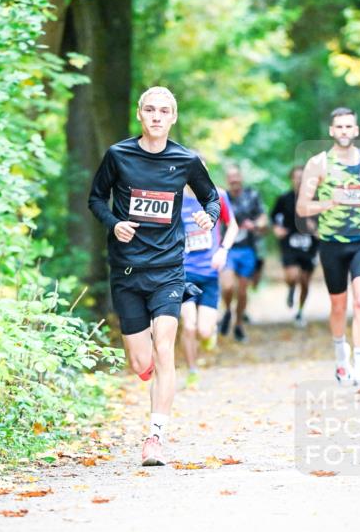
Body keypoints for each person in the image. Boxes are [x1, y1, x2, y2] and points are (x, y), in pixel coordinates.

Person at [88, 86, 220, 466]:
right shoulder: (118, 155)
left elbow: (211, 198)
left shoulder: (186, 160)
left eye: (164, 111)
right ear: (140, 114)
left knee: (165, 349)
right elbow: (96, 198)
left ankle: (155, 438)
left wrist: (208, 217)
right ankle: (148, 371)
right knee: (140, 361)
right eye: (150, 110)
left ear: (173, 117)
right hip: (127, 270)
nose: (157, 116)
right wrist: (114, 223)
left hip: (168, 269)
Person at [297, 108, 360, 388]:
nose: (344, 131)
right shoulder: (318, 164)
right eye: (339, 127)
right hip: (332, 243)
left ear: (356, 130)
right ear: (331, 131)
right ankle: (341, 356)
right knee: (338, 306)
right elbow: (302, 208)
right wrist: (329, 203)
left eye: (349, 126)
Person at [181, 175, 239, 384]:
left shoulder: (218, 195)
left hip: (209, 273)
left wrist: (223, 250)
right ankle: (192, 371)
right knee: (189, 325)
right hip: (184, 272)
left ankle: (209, 333)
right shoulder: (175, 197)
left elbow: (233, 226)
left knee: (203, 331)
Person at [219, 166, 267, 342]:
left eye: (236, 176)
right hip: (228, 249)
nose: (234, 180)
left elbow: (263, 218)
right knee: (227, 286)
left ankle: (238, 324)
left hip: (247, 249)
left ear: (241, 177)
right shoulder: (222, 197)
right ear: (227, 179)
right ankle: (227, 311)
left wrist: (255, 225)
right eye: (230, 177)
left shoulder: (252, 195)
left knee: (242, 291)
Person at [271, 166, 318, 327]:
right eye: (296, 177)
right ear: (291, 179)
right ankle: (291, 288)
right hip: (289, 243)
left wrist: (317, 229)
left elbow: (325, 220)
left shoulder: (315, 200)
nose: (299, 180)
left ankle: (300, 312)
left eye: (302, 177)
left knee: (305, 282)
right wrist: (277, 228)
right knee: (292, 276)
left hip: (309, 246)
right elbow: (273, 217)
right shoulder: (284, 199)